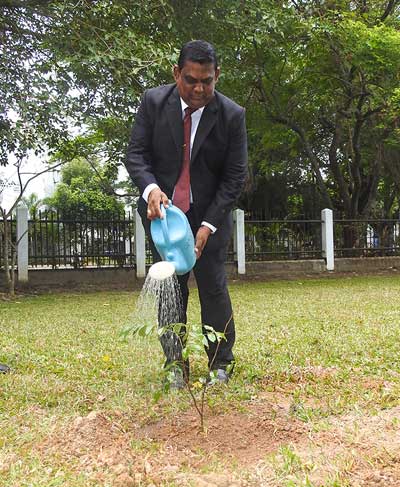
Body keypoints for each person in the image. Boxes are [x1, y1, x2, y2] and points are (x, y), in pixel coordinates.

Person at [125, 40, 248, 388]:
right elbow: (136, 155)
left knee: (213, 288)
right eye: (191, 79)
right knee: (170, 290)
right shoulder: (153, 102)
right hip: (163, 218)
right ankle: (175, 364)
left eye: (207, 81)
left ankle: (221, 364)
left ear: (217, 76)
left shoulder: (232, 115)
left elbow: (235, 175)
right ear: (177, 73)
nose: (199, 89)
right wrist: (151, 190)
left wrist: (208, 224)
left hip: (209, 214)